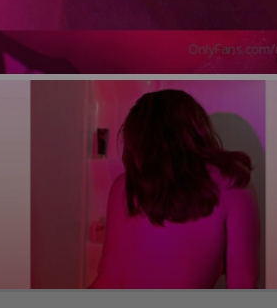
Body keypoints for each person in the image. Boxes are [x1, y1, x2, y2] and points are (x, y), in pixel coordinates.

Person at [90, 90, 260, 289]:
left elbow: (109, 277)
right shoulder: (233, 186)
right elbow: (243, 285)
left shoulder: (125, 184)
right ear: (197, 129)